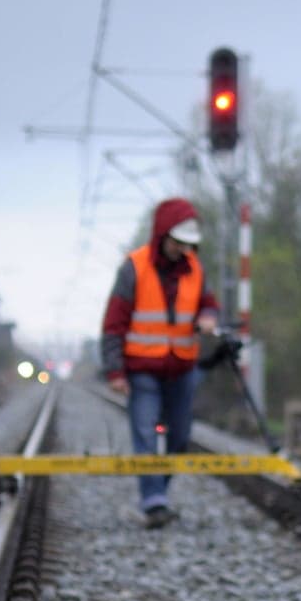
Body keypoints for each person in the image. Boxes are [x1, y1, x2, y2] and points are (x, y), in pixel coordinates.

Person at [101, 197, 221, 528]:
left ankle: (158, 493)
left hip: (182, 369)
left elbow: (209, 303)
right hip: (143, 371)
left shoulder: (195, 268)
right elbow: (114, 323)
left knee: (180, 436)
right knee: (146, 435)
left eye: (188, 244)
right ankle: (154, 502)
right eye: (178, 242)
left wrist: (208, 317)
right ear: (163, 234)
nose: (183, 249)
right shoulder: (133, 268)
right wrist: (115, 370)